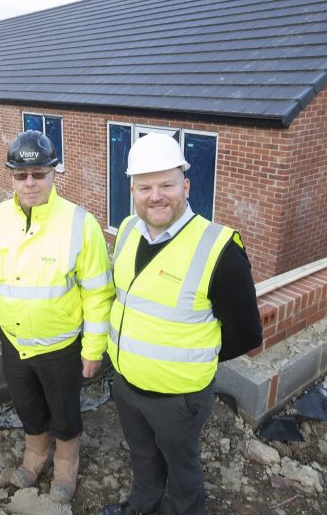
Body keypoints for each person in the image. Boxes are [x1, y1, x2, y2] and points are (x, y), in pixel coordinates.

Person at [100, 133, 263, 515]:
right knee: (142, 458)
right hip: (126, 385)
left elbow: (246, 334)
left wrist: (189, 360)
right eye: (145, 187)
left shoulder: (219, 249)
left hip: (178, 401)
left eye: (166, 185)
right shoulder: (126, 231)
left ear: (185, 186)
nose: (156, 196)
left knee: (182, 469)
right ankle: (143, 507)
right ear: (133, 190)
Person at [0, 130, 114, 504]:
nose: (30, 182)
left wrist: (93, 349)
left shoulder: (80, 224)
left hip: (61, 345)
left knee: (64, 410)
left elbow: (98, 293)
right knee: (28, 406)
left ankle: (67, 462)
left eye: (39, 173)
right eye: (21, 175)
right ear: (11, 177)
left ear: (54, 172)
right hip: (15, 343)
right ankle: (36, 454)